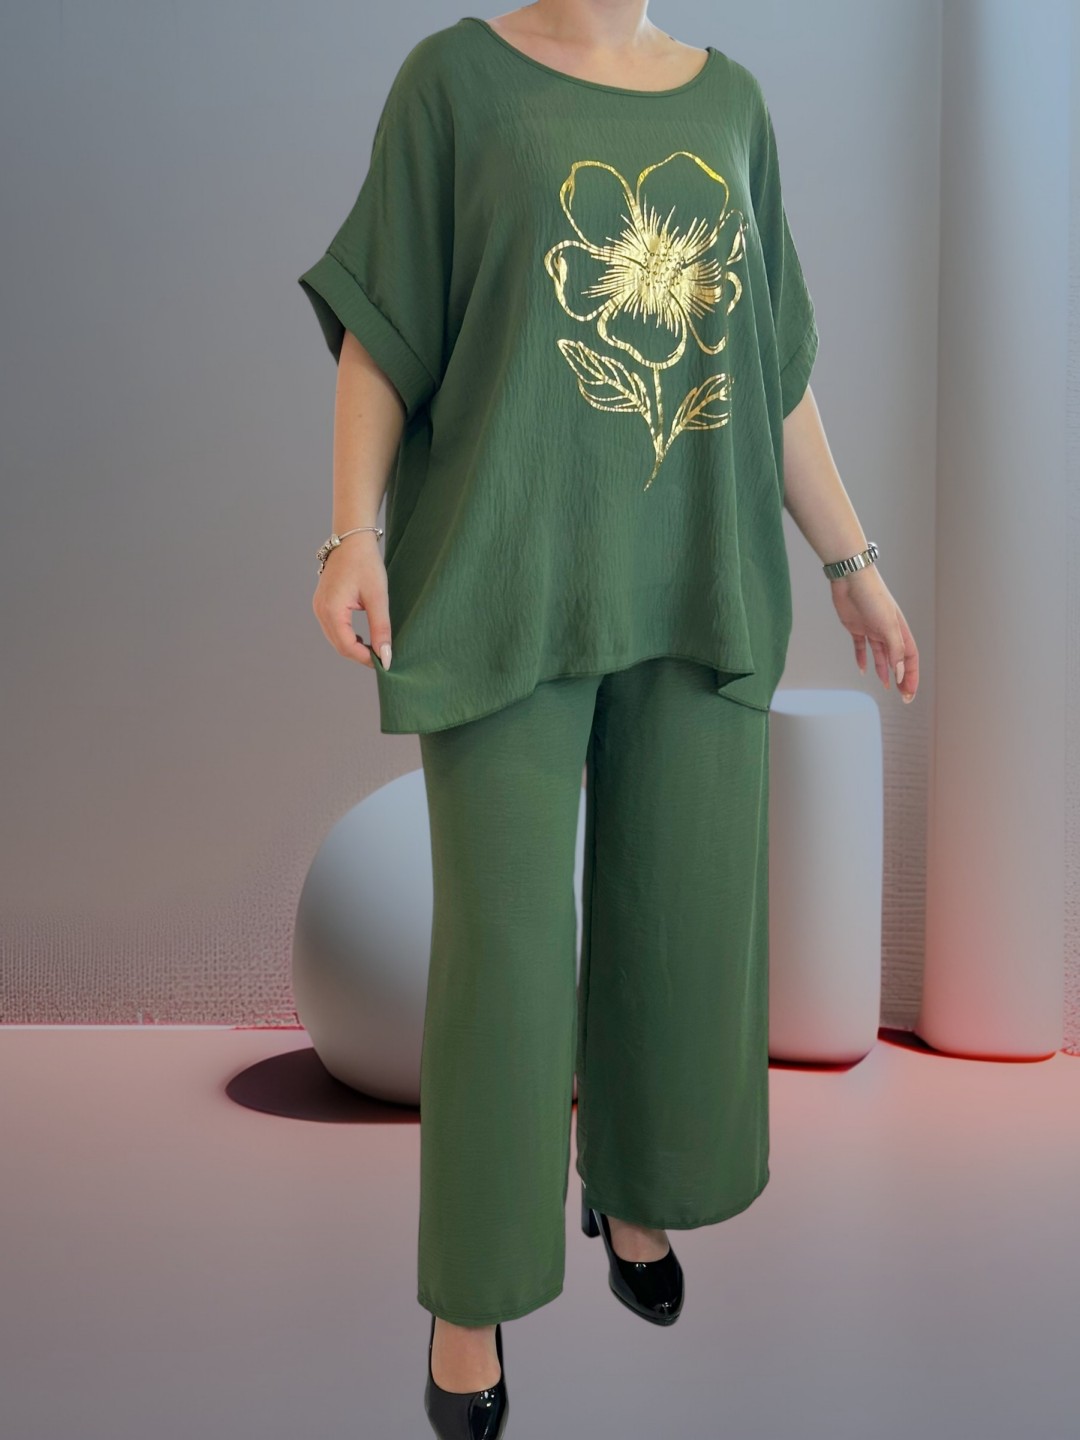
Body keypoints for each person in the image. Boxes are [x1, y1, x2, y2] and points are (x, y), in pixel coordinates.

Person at [299, 3, 919, 1435]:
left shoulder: (732, 102)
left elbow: (771, 367)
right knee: (505, 971)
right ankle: (470, 1303)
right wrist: (350, 536)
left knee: (682, 938)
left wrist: (853, 566)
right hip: (503, 585)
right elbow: (383, 330)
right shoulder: (455, 82)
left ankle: (634, 1194)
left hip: (698, 582)